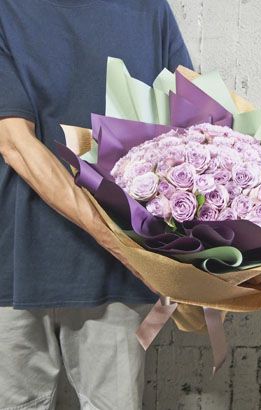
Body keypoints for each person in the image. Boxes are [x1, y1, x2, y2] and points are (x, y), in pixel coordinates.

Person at [0, 0, 192, 408]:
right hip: (14, 268)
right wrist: (120, 242)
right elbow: (15, 143)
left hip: (115, 277)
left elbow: (188, 132)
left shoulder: (150, 11)